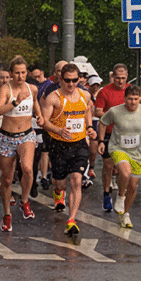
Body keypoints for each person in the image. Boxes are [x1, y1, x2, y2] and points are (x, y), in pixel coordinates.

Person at [0, 57, 38, 231]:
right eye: (17, 73)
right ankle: (6, 215)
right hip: (6, 137)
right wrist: (15, 102)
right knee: (6, 179)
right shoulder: (6, 89)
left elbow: (35, 104)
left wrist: (40, 115)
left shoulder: (32, 88)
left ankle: (25, 201)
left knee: (27, 168)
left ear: (26, 73)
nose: (20, 76)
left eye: (23, 72)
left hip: (26, 135)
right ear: (11, 73)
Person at [39, 62, 96, 237]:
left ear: (79, 79)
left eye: (74, 80)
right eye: (67, 81)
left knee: (77, 181)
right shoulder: (53, 97)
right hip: (59, 145)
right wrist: (58, 130)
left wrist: (90, 127)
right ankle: (57, 192)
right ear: (60, 80)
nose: (71, 84)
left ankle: (71, 220)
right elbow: (44, 121)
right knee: (61, 183)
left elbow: (87, 110)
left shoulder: (84, 95)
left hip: (79, 144)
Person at [98, 85, 141, 229]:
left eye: (136, 99)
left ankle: (125, 214)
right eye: (130, 99)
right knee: (124, 173)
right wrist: (101, 141)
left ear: (140, 99)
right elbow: (102, 123)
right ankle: (120, 196)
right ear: (125, 98)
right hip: (118, 148)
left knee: (132, 186)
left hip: (137, 152)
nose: (133, 102)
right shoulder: (115, 111)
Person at [92, 64, 129, 212]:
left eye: (123, 78)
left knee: (123, 168)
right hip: (109, 133)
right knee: (108, 165)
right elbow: (97, 112)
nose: (120, 81)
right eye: (117, 78)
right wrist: (113, 114)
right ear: (112, 77)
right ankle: (107, 193)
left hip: (126, 134)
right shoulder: (105, 92)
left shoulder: (130, 89)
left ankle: (121, 195)